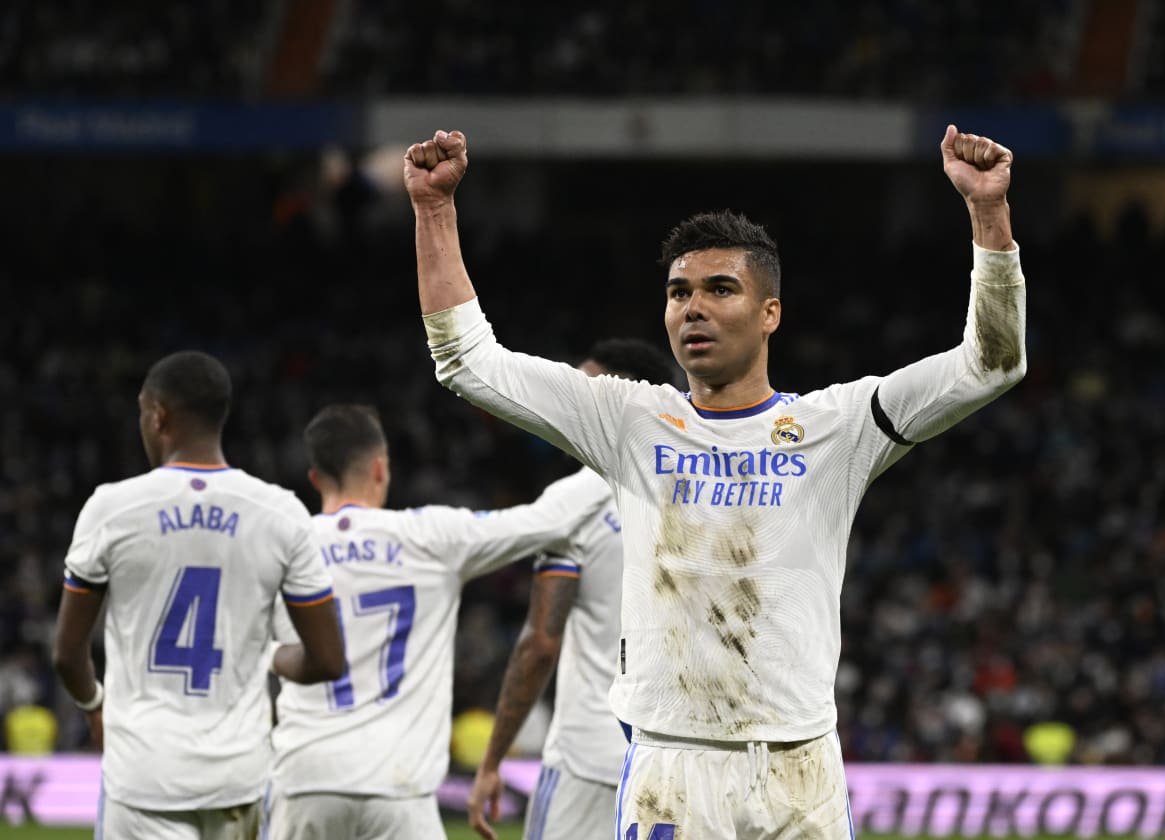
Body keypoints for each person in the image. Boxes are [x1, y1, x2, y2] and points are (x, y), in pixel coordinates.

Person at [405, 126, 1026, 838]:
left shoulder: (839, 426)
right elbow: (467, 360)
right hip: (673, 770)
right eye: (679, 292)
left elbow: (991, 364)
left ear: (770, 314)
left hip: (800, 770)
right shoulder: (630, 420)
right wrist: (434, 210)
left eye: (719, 289)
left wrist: (988, 215)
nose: (692, 307)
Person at [265, 388, 657, 840]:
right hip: (400, 786)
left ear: (315, 478)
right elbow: (544, 521)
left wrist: (270, 655)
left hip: (305, 777)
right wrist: (614, 448)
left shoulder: (286, 547)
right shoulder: (431, 536)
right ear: (380, 468)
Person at [52, 350, 344, 840]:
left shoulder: (112, 509)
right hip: (239, 777)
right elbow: (329, 660)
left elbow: (66, 653)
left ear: (158, 415)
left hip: (144, 774)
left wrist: (94, 705)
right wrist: (268, 655)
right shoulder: (281, 513)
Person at [467, 339, 679, 840]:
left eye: (581, 388)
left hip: (586, 762)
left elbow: (541, 643)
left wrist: (492, 761)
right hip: (674, 760)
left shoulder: (576, 500)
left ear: (617, 395)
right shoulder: (704, 489)